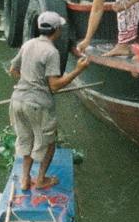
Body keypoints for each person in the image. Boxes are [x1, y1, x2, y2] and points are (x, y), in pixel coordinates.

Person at [8, 10, 90, 191]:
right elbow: (54, 86)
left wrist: (30, 82)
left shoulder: (28, 44)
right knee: (49, 142)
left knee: (26, 140)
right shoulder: (51, 52)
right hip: (38, 105)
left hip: (17, 101)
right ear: (57, 30)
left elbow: (13, 69)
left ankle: (24, 179)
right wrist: (78, 70)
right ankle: (41, 179)